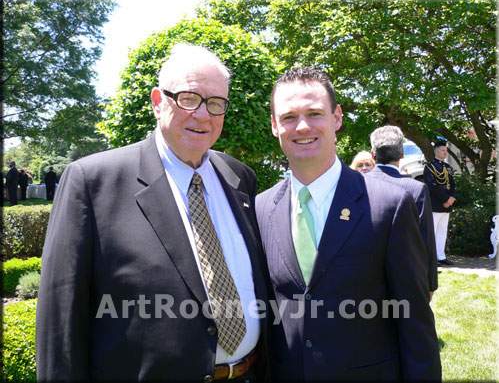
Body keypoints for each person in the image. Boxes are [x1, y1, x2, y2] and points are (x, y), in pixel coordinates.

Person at [36, 44, 270, 381]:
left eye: (216, 104)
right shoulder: (92, 182)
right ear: (158, 102)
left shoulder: (240, 177)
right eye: (189, 98)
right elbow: (61, 317)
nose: (203, 115)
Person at [256, 67, 441, 380]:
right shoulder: (261, 208)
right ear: (275, 125)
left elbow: (415, 322)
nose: (302, 126)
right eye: (288, 117)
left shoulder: (389, 206)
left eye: (314, 113)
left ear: (336, 117)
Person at [367, 125, 438, 301]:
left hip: (362, 278)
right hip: (406, 279)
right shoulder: (416, 189)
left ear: (373, 154)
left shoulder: (356, 185)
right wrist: (430, 284)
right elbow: (425, 238)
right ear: (402, 154)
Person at [424, 140, 456, 266]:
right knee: (433, 231)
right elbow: (431, 186)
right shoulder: (430, 167)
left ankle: (440, 255)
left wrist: (452, 197)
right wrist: (445, 200)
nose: (445, 152)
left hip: (447, 203)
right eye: (443, 150)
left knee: (443, 231)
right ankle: (432, 258)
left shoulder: (447, 167)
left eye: (446, 150)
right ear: (436, 151)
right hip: (436, 203)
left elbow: (452, 184)